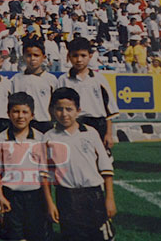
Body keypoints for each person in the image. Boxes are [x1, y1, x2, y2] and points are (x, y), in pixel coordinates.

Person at [42, 87, 116, 241]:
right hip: (66, 196)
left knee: (100, 237)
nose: (64, 114)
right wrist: (50, 203)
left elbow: (105, 168)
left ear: (78, 111)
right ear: (52, 111)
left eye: (69, 109)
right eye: (59, 109)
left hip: (93, 194)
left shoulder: (90, 133)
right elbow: (45, 174)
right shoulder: (48, 137)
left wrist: (109, 199)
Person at [0, 92, 53, 241]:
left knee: (36, 236)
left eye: (25, 112)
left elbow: (45, 173)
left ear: (32, 115)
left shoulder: (40, 138)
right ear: (8, 114)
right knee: (15, 236)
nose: (20, 116)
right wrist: (0, 197)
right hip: (11, 196)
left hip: (35, 197)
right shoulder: (1, 138)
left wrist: (48, 202)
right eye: (16, 111)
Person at [57, 37, 119, 150]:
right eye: (75, 56)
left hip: (98, 124)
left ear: (90, 56)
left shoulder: (99, 79)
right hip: (74, 124)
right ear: (69, 56)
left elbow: (109, 109)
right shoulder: (63, 80)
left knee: (99, 158)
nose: (79, 59)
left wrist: (109, 133)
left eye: (83, 55)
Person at [11, 37, 59, 133]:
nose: (32, 59)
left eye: (36, 55)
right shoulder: (16, 79)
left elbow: (55, 104)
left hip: (44, 123)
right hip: (22, 123)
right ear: (23, 57)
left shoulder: (51, 79)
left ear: (43, 57)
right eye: (29, 55)